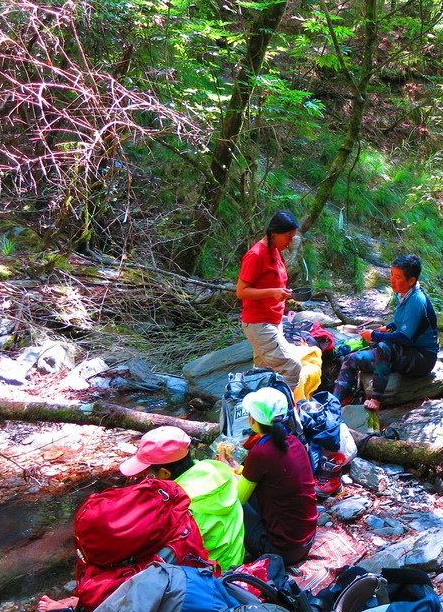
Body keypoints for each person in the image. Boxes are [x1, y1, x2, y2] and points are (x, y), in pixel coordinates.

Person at [119, 426, 246, 571]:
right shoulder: (217, 471)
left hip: (213, 577)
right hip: (234, 561)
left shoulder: (178, 506)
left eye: (145, 474)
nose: (143, 478)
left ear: (165, 473)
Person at [333, 253, 438, 410]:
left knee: (384, 345)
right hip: (404, 352)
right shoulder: (402, 293)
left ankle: (376, 399)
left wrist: (375, 335)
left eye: (397, 277)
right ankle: (335, 403)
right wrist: (388, 327)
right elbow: (401, 322)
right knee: (350, 359)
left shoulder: (417, 300)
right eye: (391, 274)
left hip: (422, 358)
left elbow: (405, 337)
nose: (392, 280)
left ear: (411, 280)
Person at [236, 387, 318, 566]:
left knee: (231, 505)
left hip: (283, 551)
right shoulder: (295, 442)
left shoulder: (260, 452)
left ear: (253, 420)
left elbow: (238, 498)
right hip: (308, 538)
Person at [236, 210, 303, 383]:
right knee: (292, 368)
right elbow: (241, 291)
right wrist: (273, 292)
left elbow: (272, 283)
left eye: (292, 237)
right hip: (259, 323)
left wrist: (283, 293)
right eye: (288, 237)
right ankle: (287, 408)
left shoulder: (275, 250)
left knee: (262, 374)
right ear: (274, 233)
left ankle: (256, 408)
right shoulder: (256, 255)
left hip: (274, 320)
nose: (290, 242)